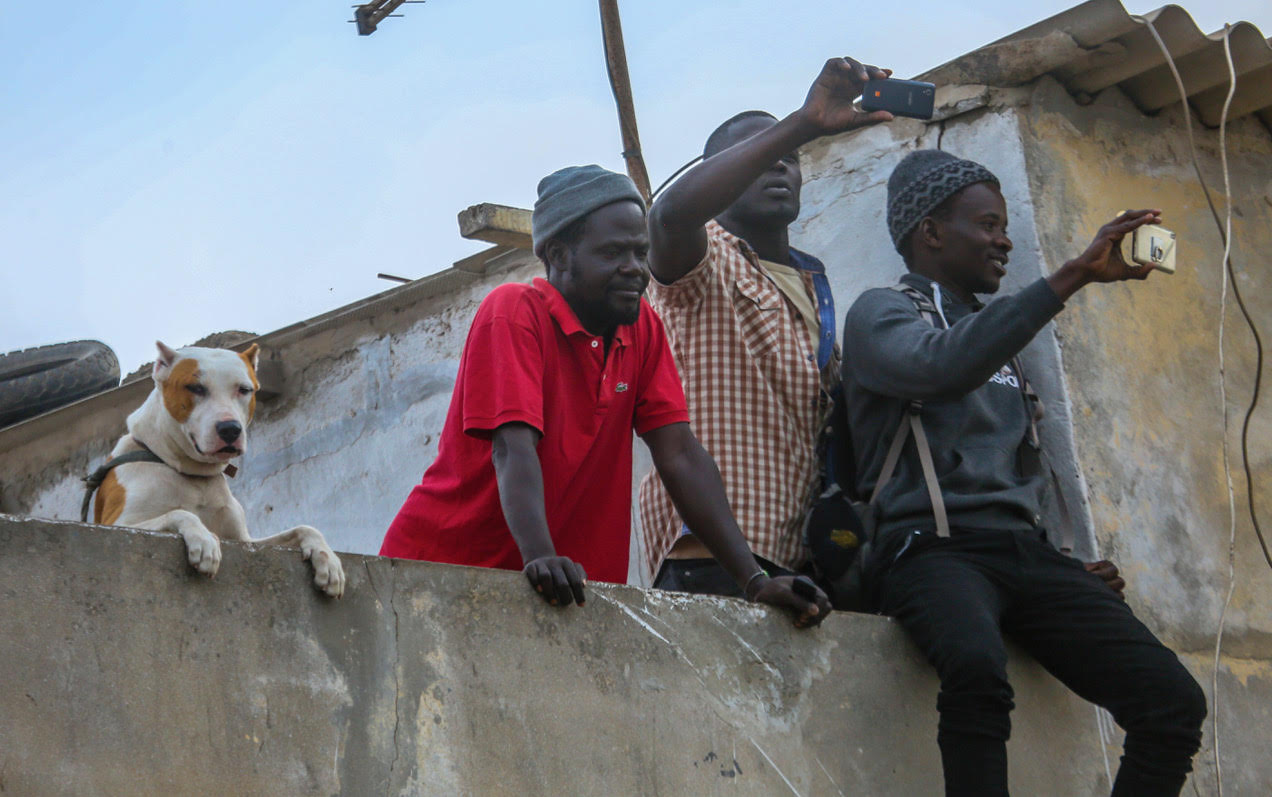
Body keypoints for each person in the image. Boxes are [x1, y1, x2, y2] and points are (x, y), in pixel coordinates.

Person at [841, 149, 1206, 796]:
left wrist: (1061, 564)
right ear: (931, 232)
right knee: (976, 667)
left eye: (1005, 226)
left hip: (1019, 551)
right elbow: (938, 367)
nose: (1004, 241)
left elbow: (1021, 468)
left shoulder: (999, 333)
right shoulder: (882, 311)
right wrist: (1072, 275)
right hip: (929, 546)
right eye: (987, 225)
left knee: (1172, 701)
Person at [379, 165, 831, 625]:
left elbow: (679, 455)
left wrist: (754, 582)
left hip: (559, 591)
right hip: (444, 573)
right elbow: (512, 448)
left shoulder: (642, 328)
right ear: (559, 255)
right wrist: (540, 556)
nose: (635, 268)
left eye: (640, 252)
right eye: (613, 252)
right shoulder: (514, 312)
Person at [639, 57, 895, 595]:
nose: (780, 163)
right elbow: (668, 216)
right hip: (715, 550)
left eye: (792, 157)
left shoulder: (813, 283)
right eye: (762, 153)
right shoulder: (703, 262)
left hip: (804, 559)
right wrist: (802, 124)